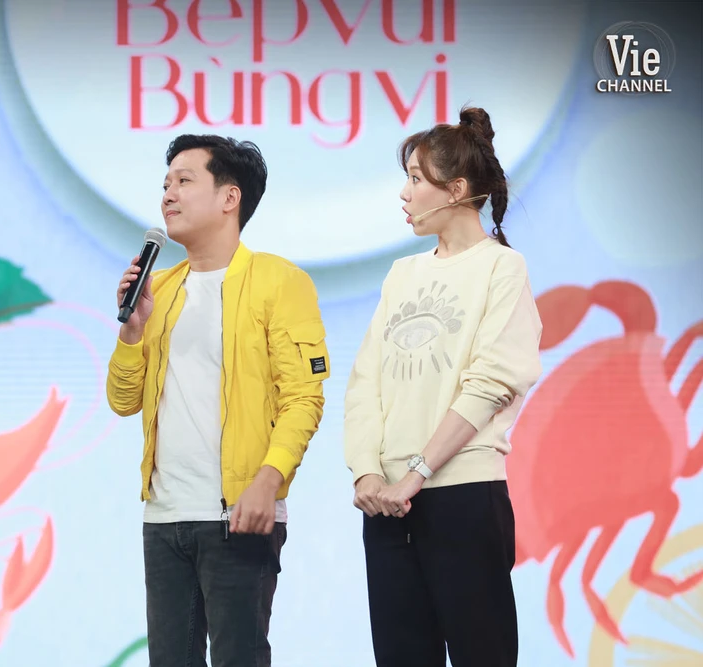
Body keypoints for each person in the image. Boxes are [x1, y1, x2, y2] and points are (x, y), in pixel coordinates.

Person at [106, 135, 330, 666]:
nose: (168, 194)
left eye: (184, 181)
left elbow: (303, 399)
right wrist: (132, 332)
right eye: (165, 183)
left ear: (230, 198)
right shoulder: (159, 288)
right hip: (164, 516)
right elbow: (123, 401)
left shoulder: (280, 281)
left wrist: (268, 483)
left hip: (239, 514)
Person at [343, 106, 543, 667]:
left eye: (415, 179)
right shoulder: (401, 274)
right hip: (387, 505)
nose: (403, 194)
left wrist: (417, 474)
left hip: (463, 494)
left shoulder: (502, 268)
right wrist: (367, 473)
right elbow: (365, 383)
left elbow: (491, 383)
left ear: (456, 190)